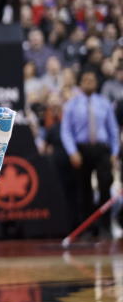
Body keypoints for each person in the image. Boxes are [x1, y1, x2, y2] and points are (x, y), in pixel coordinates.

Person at [60, 68, 119, 237]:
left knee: (105, 187)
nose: (89, 83)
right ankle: (87, 228)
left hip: (102, 150)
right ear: (80, 83)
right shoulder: (71, 104)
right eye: (86, 80)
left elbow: (113, 130)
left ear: (97, 83)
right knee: (83, 190)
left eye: (92, 80)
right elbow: (66, 131)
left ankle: (105, 227)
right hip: (82, 150)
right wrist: (72, 152)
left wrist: (114, 153)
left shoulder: (104, 103)